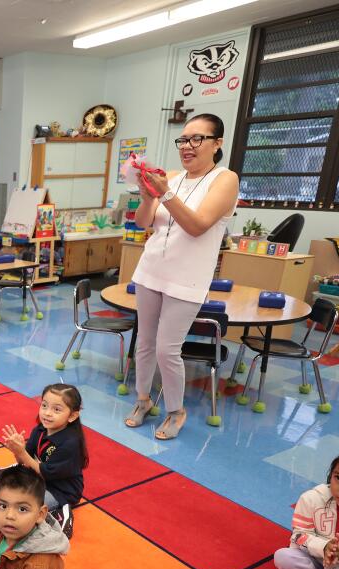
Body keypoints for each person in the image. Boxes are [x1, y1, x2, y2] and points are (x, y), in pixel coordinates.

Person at [124, 113, 239, 441]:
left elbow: (198, 225)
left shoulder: (225, 179)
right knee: (144, 343)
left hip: (186, 280)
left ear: (217, 143)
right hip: (150, 272)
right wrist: (148, 196)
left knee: (166, 349)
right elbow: (144, 223)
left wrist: (166, 194)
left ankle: (176, 410)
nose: (187, 146)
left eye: (197, 139)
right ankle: (143, 400)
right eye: (183, 140)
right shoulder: (171, 177)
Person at [0, 384, 88, 538]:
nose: (47, 413)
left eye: (56, 409)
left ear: (72, 416)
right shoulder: (39, 430)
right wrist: (17, 451)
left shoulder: (70, 443)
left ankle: (62, 512)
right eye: (44, 405)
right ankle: (10, 472)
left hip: (60, 490)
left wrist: (22, 452)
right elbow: (26, 461)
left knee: (22, 506)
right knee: (7, 493)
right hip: (36, 477)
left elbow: (45, 473)